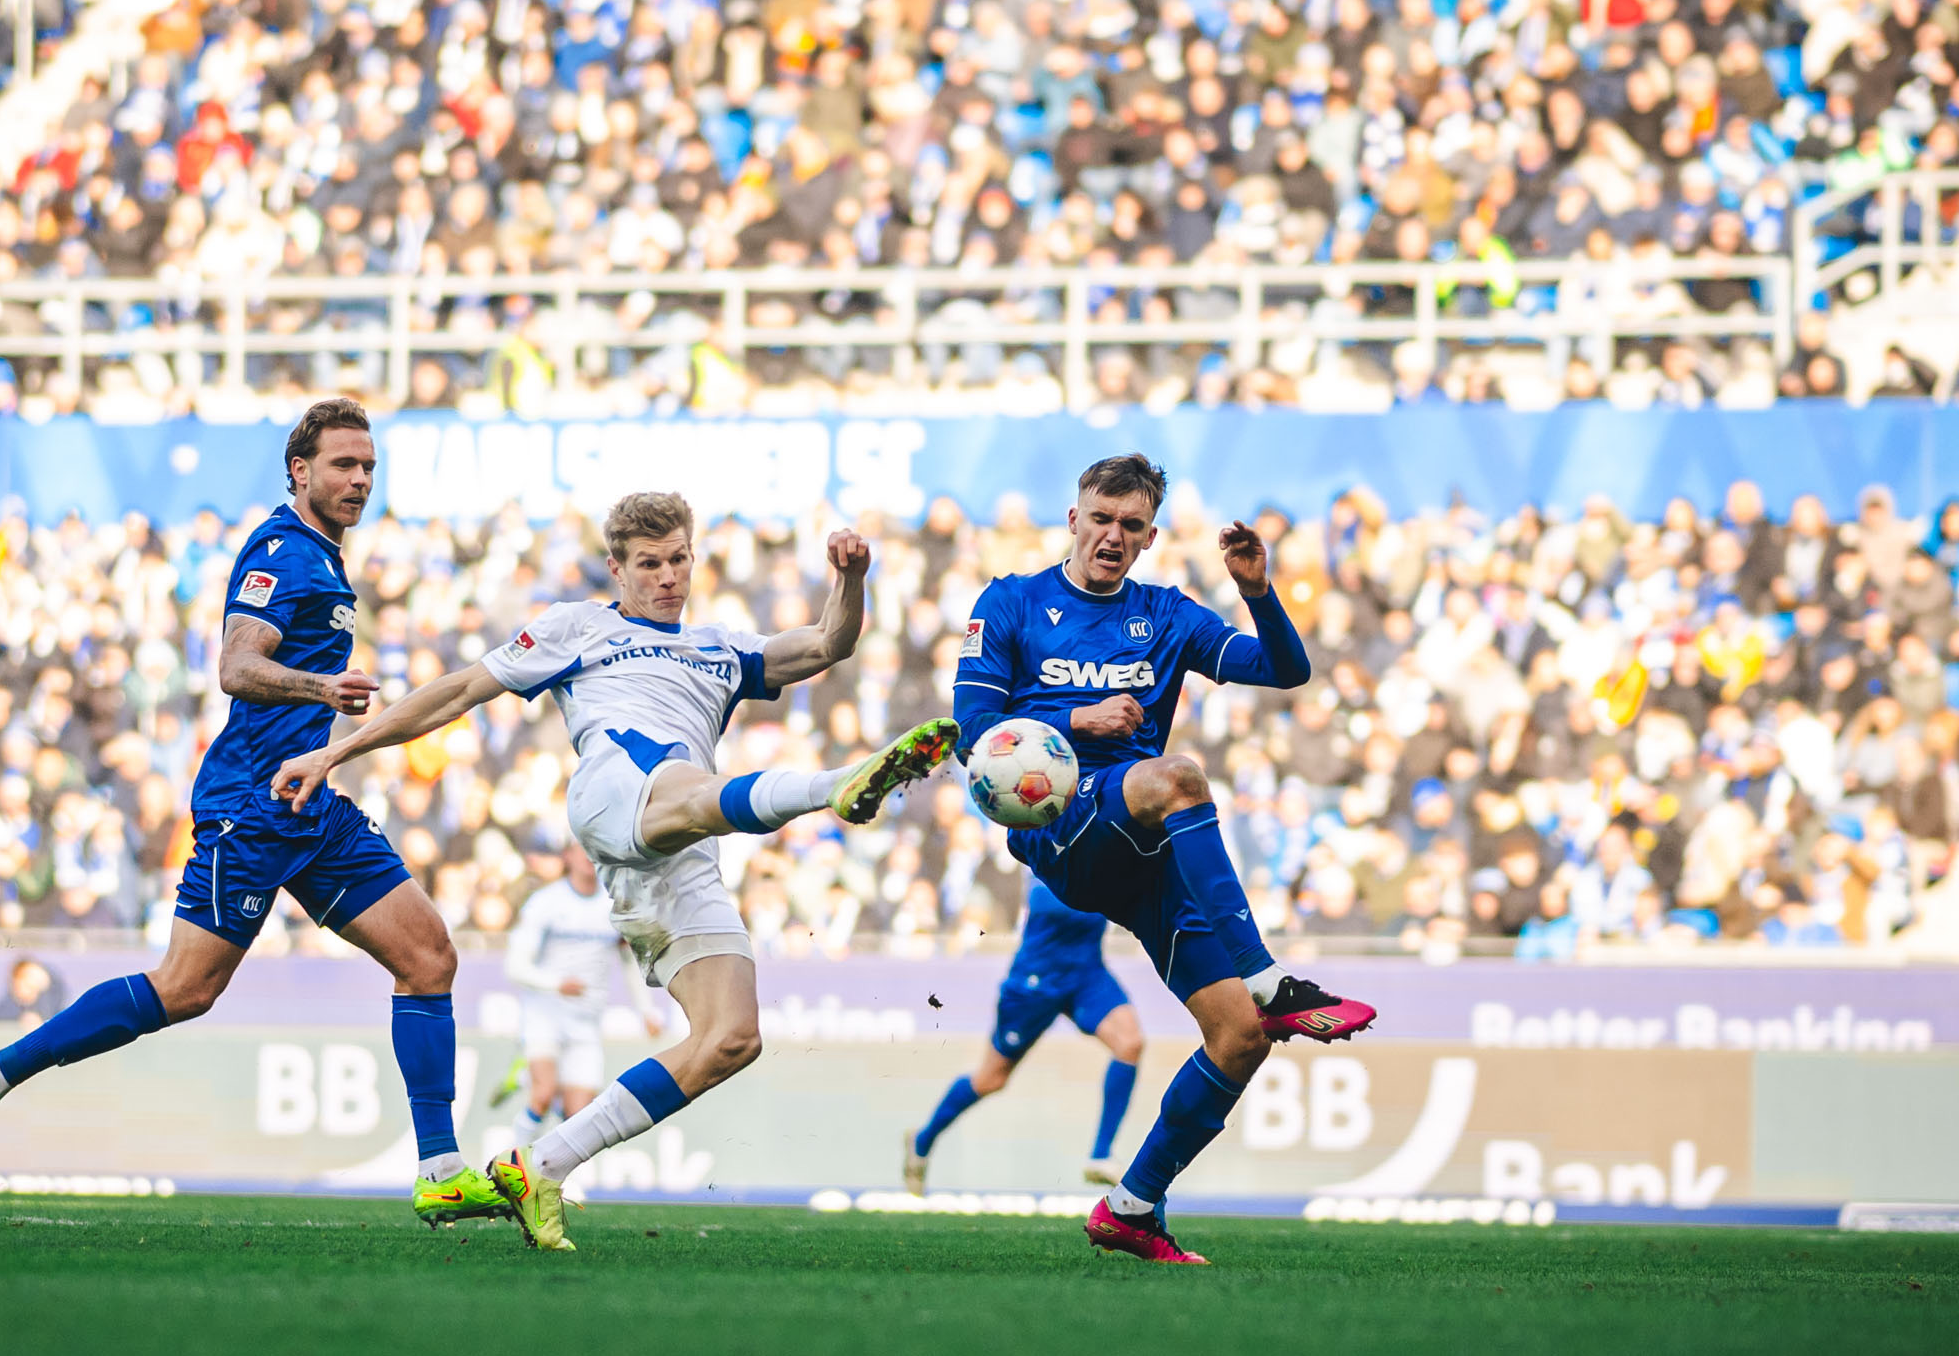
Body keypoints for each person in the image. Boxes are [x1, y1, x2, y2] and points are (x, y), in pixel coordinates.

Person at [271, 488, 960, 1252]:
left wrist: (852, 576)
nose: (667, 577)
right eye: (648, 564)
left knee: (732, 1036)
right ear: (617, 568)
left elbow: (831, 642)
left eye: (677, 561)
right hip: (615, 794)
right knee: (677, 777)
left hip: (678, 852)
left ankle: (543, 1165)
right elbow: (460, 691)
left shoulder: (720, 648)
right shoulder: (579, 627)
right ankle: (831, 786)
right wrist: (338, 749)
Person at [0, 399, 513, 1228]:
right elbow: (237, 667)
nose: (359, 480)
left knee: (428, 956)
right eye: (344, 465)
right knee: (185, 989)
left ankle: (441, 1168)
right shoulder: (280, 550)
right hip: (252, 803)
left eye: (369, 467)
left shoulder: (324, 556)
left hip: (307, 796)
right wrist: (322, 688)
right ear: (299, 471)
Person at [954, 452, 1375, 1264]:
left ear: (1149, 538)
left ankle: (1133, 1206)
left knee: (1240, 1038)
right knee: (1177, 775)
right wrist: (1081, 723)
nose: (1112, 535)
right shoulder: (1009, 601)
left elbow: (1285, 671)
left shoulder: (1167, 614)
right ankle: (1270, 977)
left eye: (1131, 525)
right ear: (1073, 519)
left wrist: (1257, 589)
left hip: (1147, 843)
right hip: (1063, 824)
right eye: (1100, 518)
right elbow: (971, 733)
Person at [901, 878, 1147, 1195]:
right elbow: (1047, 902)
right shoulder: (1047, 839)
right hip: (1035, 980)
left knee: (1130, 1043)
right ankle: (922, 1141)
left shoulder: (1112, 841)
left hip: (1087, 973)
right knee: (991, 1079)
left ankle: (1100, 1156)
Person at [498, 845, 631, 1155]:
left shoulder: (615, 906)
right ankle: (513, 1169)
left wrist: (648, 1011)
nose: (588, 857)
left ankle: (556, 1181)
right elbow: (515, 966)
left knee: (580, 1116)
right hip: (545, 1014)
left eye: (594, 850)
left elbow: (627, 960)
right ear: (567, 856)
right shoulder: (545, 903)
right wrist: (557, 984)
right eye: (581, 849)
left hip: (586, 1020)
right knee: (543, 1094)